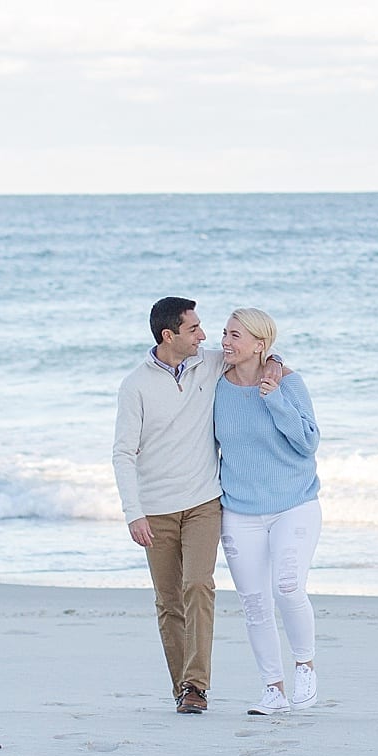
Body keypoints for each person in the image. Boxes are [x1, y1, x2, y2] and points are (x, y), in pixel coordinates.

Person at [112, 297, 284, 715]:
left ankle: (197, 686)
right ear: (169, 335)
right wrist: (133, 513)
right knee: (168, 601)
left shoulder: (208, 364)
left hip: (205, 502)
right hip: (155, 510)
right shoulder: (135, 386)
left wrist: (276, 364)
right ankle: (183, 689)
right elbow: (123, 454)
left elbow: (256, 353)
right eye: (195, 329)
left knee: (198, 585)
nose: (205, 336)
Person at [213, 307, 322, 717]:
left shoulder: (288, 383)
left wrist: (274, 398)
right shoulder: (216, 385)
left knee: (288, 587)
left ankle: (305, 667)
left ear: (260, 344)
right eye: (224, 332)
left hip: (295, 504)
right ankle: (273, 689)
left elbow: (308, 443)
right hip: (239, 510)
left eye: (235, 335)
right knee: (254, 603)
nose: (225, 341)